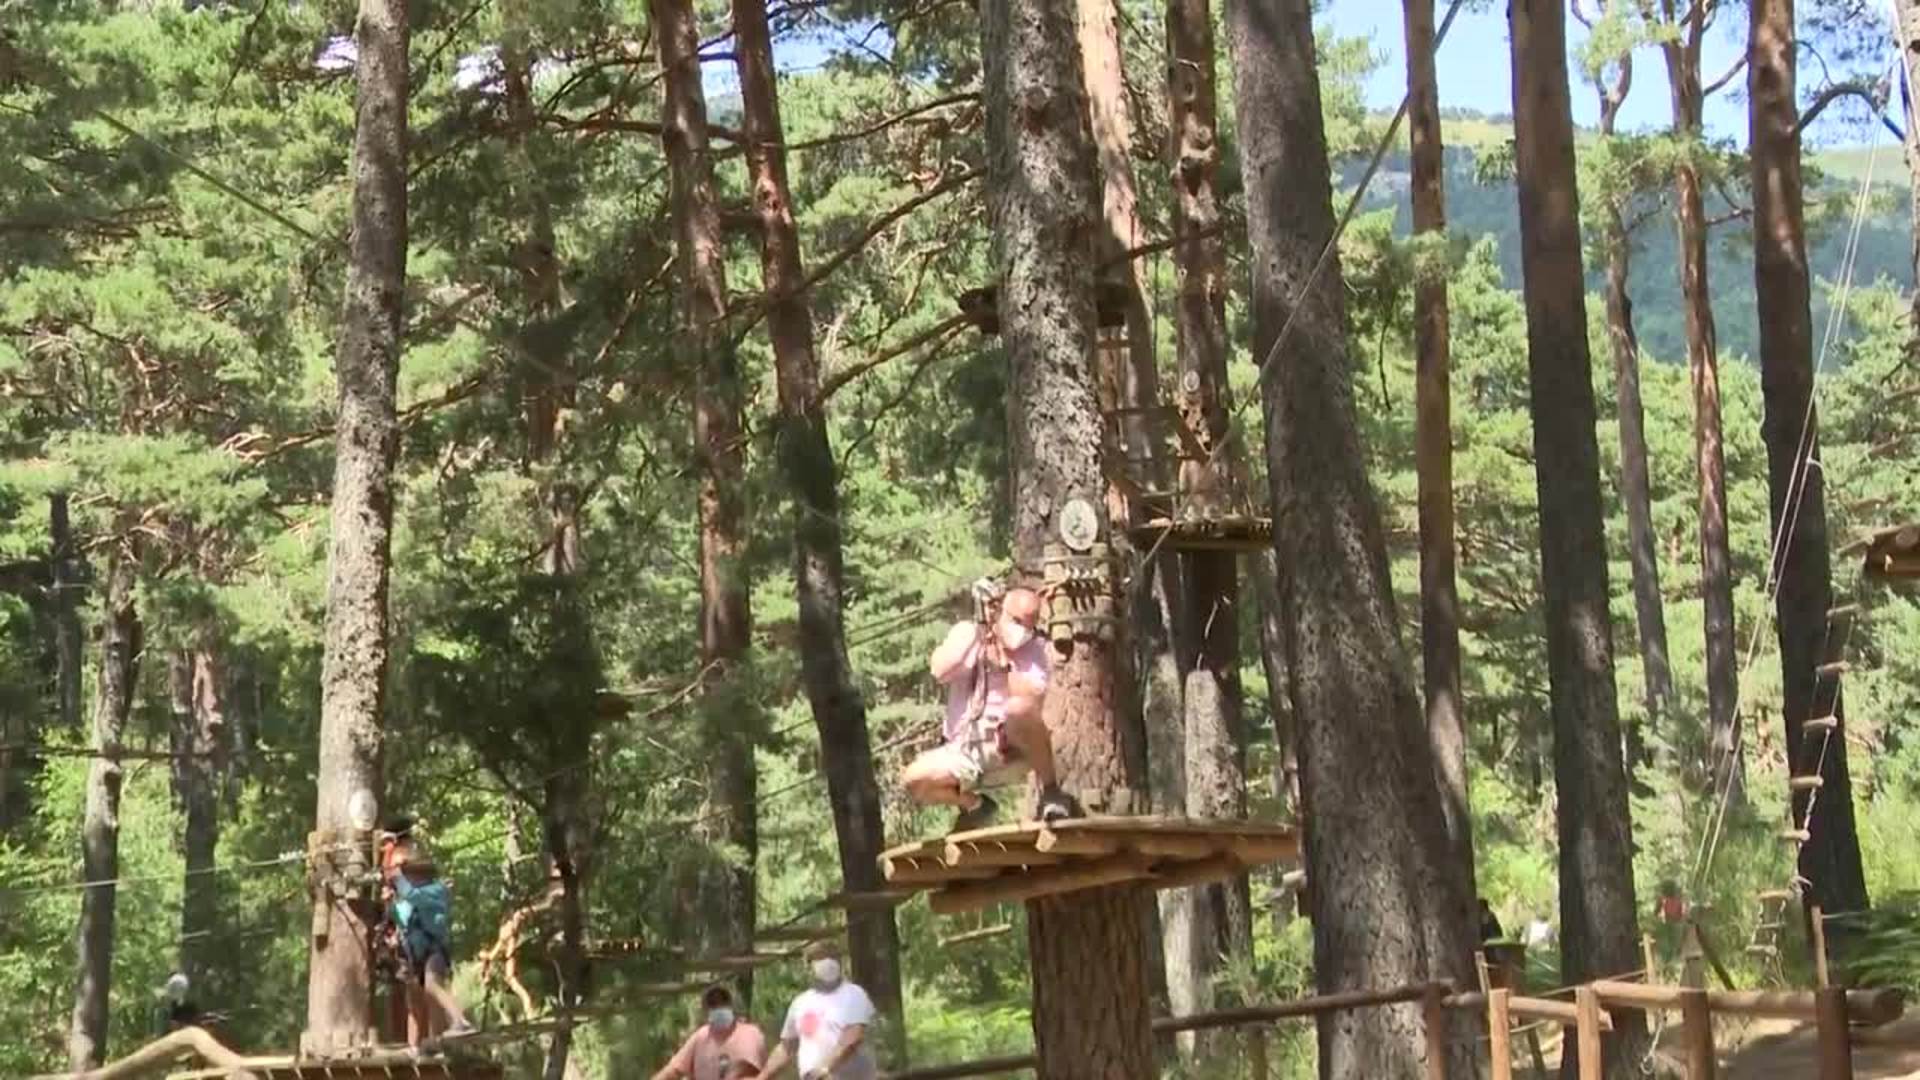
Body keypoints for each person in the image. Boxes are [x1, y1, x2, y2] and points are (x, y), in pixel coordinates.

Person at [899, 579, 1074, 830]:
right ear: (999, 611)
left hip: (1009, 750)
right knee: (914, 780)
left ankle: (1051, 792)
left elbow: (1031, 699)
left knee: (1018, 709)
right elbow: (940, 670)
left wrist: (1006, 663)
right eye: (1016, 621)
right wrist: (976, 638)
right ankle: (974, 805)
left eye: (1029, 624)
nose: (1022, 630)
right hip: (966, 749)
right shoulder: (968, 633)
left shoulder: (1037, 649)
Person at [383, 836, 474, 1047]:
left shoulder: (436, 890)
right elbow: (401, 918)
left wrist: (396, 874)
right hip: (416, 956)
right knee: (416, 999)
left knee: (433, 984)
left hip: (434, 951)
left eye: (407, 874)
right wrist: (389, 904)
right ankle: (421, 1045)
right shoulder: (408, 897)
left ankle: (460, 1021)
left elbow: (414, 896)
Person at [761, 942, 878, 1080]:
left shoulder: (854, 994)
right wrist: (762, 1077)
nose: (827, 962)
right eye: (820, 957)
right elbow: (787, 1047)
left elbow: (853, 1036)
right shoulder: (800, 1002)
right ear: (807, 965)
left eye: (832, 957)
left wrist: (825, 1068)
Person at [652, 984, 767, 1080]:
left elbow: (751, 1070)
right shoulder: (700, 1037)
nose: (719, 1007)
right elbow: (673, 1070)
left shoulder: (750, 1033)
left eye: (723, 1001)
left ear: (731, 1005)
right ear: (705, 1010)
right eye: (713, 1004)